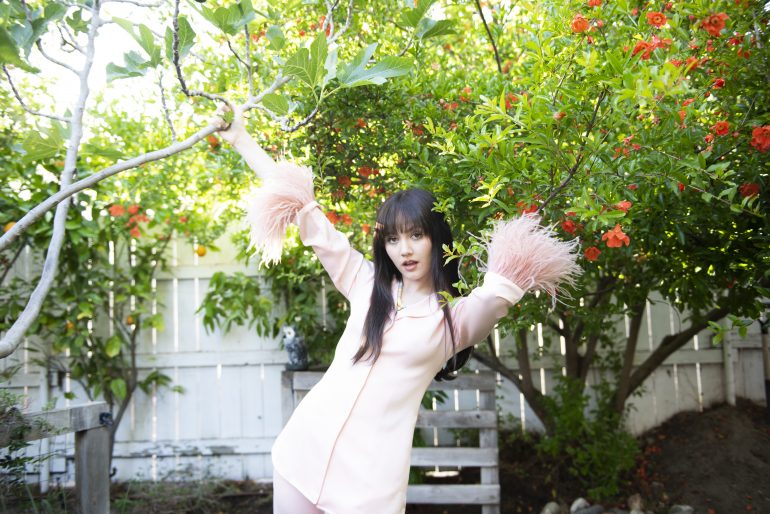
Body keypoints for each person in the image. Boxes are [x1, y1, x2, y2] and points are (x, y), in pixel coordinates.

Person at [218, 108, 580, 514]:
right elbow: (304, 210)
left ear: (436, 238)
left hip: (368, 488)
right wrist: (241, 139)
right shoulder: (366, 284)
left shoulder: (454, 320)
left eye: (416, 235)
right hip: (302, 453)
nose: (404, 249)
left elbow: (501, 291)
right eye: (392, 239)